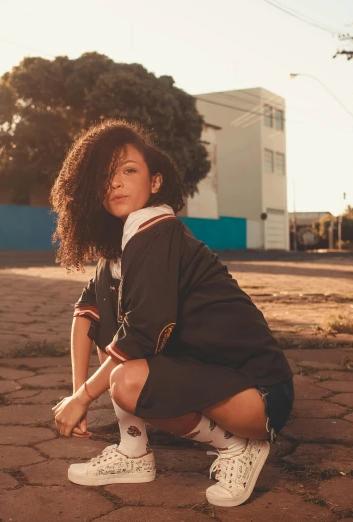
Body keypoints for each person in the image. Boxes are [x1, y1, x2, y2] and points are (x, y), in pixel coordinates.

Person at [50, 119, 294, 507]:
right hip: (214, 379)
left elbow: (145, 332)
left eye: (129, 170)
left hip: (260, 394)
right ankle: (134, 453)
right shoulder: (118, 250)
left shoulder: (157, 229)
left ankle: (237, 448)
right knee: (114, 334)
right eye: (105, 174)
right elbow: (87, 318)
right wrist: (77, 396)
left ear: (156, 182)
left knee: (128, 377)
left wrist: (83, 398)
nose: (115, 182)